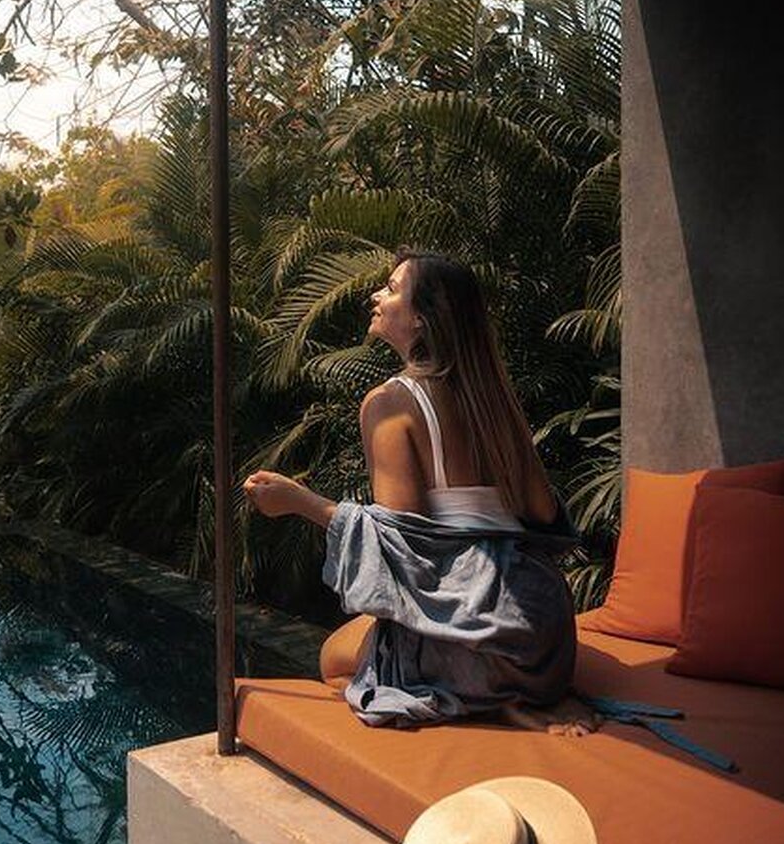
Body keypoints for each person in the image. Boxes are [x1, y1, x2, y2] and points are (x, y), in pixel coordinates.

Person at [243, 248, 597, 735]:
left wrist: (298, 502)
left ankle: (489, 700)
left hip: (483, 630)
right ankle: (516, 695)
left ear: (422, 319)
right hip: (544, 632)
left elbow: (401, 540)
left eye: (391, 289)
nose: (376, 295)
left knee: (333, 660)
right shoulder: (494, 398)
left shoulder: (389, 403)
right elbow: (542, 511)